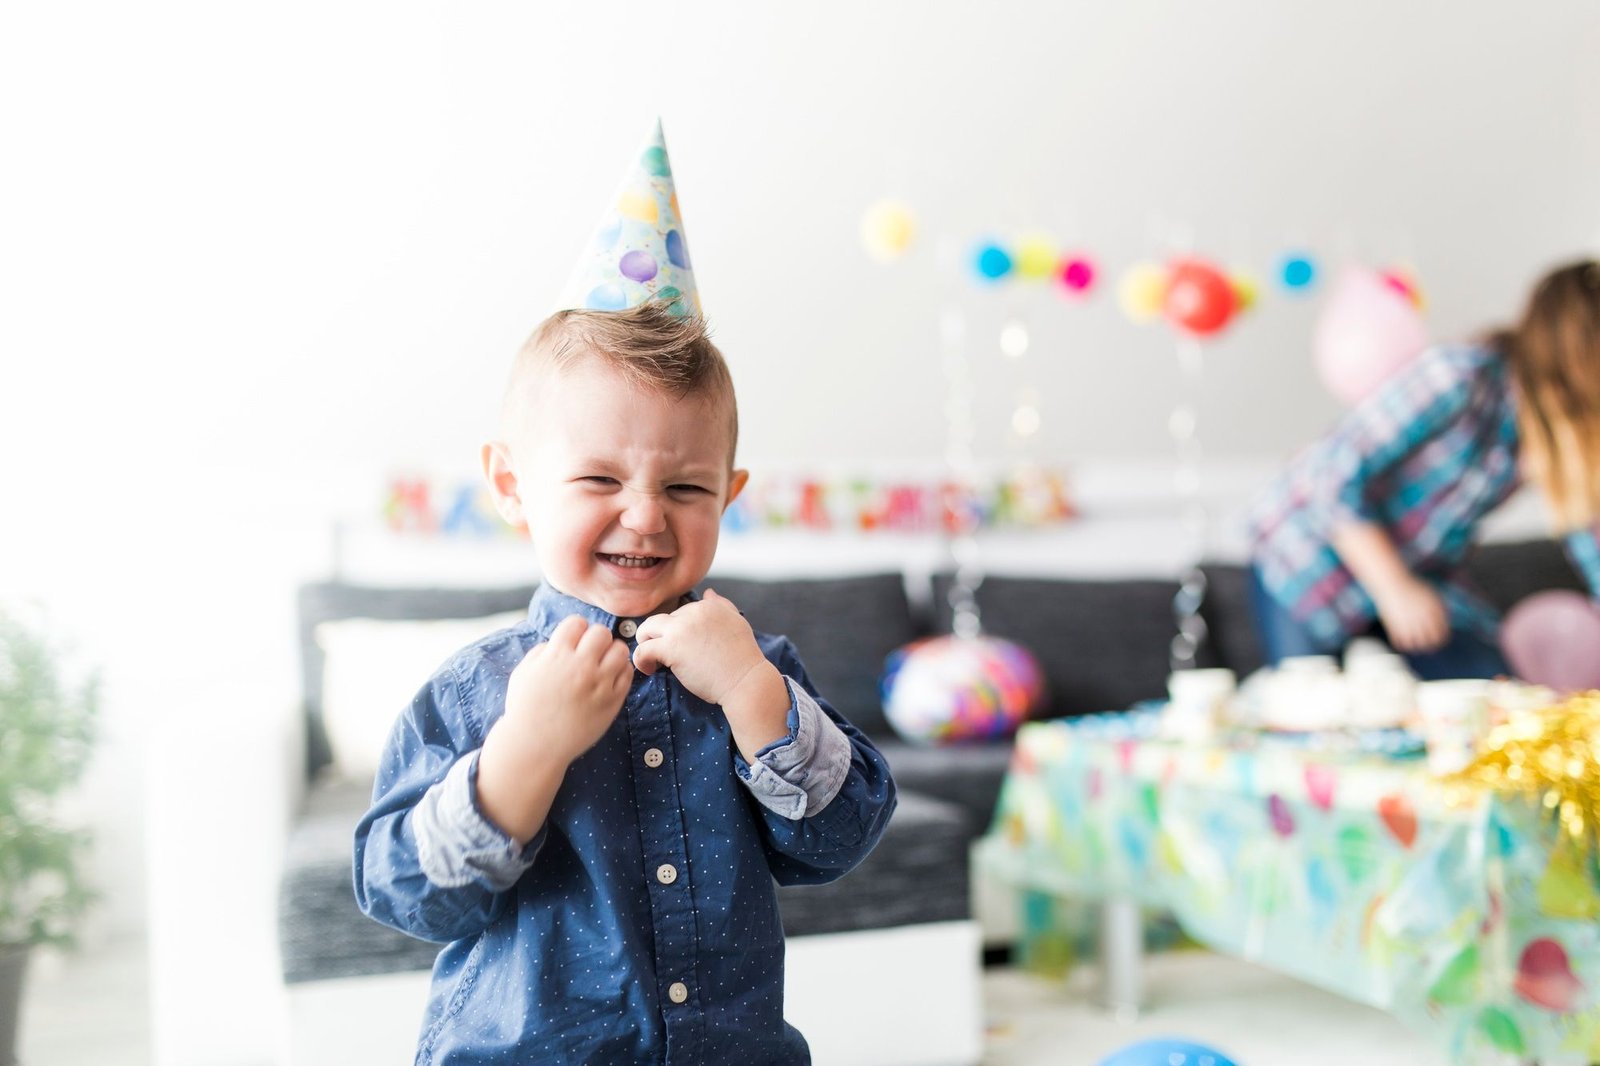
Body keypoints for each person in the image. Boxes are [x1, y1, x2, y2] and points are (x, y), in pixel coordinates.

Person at [353, 125, 896, 1064]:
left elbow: (838, 843)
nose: (644, 518)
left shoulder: (754, 673)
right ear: (514, 484)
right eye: (599, 481)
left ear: (727, 495)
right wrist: (525, 750)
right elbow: (402, 893)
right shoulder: (477, 691)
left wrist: (755, 698)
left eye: (685, 488)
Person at [1246, 259, 1600, 680]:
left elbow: (1588, 532)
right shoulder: (1458, 375)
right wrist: (1393, 587)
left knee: (1494, 690)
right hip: (1308, 559)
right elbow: (1328, 475)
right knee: (1311, 711)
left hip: (1420, 573)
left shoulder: (1562, 437)